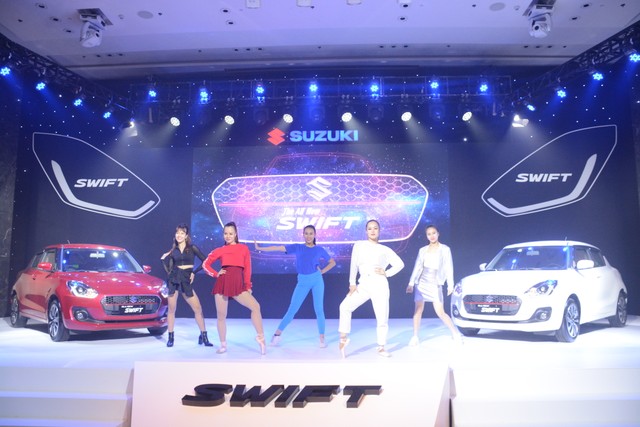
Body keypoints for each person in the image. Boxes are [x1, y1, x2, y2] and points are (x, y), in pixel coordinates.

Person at [254, 225, 336, 348]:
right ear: (303, 234)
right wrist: (260, 248)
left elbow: (332, 262)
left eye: (311, 233)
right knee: (292, 309)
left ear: (315, 235)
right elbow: (279, 248)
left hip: (317, 280)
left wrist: (322, 271)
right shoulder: (298, 247)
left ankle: (322, 337)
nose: (308, 236)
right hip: (302, 281)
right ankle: (277, 334)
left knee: (319, 309)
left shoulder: (319, 249)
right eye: (306, 233)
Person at [338, 219, 404, 358]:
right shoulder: (359, 245)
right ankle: (343, 339)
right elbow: (354, 265)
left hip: (380, 284)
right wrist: (352, 283)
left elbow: (400, 264)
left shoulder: (385, 249)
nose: (372, 231)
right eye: (369, 228)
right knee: (344, 306)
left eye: (375, 228)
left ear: (379, 230)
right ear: (366, 231)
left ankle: (381, 347)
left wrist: (387, 273)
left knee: (382, 317)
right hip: (363, 284)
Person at [202, 222, 266, 355]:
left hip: (238, 285)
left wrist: (248, 286)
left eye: (231, 233)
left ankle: (261, 338)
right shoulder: (220, 250)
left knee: (256, 307)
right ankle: (223, 345)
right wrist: (215, 274)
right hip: (223, 283)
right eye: (225, 233)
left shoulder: (243, 249)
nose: (228, 236)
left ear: (236, 234)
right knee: (221, 316)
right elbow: (205, 264)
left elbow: (247, 269)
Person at [406, 224, 462, 345]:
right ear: (426, 236)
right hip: (421, 282)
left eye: (434, 233)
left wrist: (450, 285)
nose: (432, 236)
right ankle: (415, 336)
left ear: (438, 234)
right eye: (429, 234)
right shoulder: (422, 250)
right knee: (418, 310)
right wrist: (411, 283)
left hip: (435, 282)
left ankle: (455, 333)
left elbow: (448, 267)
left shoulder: (445, 249)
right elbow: (417, 266)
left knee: (440, 312)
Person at [160, 223, 212, 348]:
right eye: (177, 233)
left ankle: (204, 336)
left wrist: (194, 272)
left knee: (198, 308)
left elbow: (206, 261)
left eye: (182, 233)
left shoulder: (192, 248)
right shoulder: (173, 251)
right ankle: (171, 337)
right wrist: (163, 260)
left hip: (186, 279)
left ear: (186, 235)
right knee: (171, 309)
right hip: (174, 279)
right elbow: (169, 270)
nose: (179, 235)